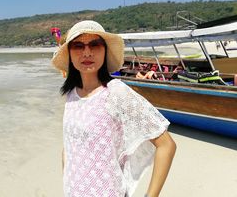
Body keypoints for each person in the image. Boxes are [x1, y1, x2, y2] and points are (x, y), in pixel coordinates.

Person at [51, 20, 176, 197]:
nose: (87, 52)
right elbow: (69, 148)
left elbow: (166, 145)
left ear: (105, 50)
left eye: (95, 45)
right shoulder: (71, 94)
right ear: (70, 53)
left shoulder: (115, 92)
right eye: (78, 45)